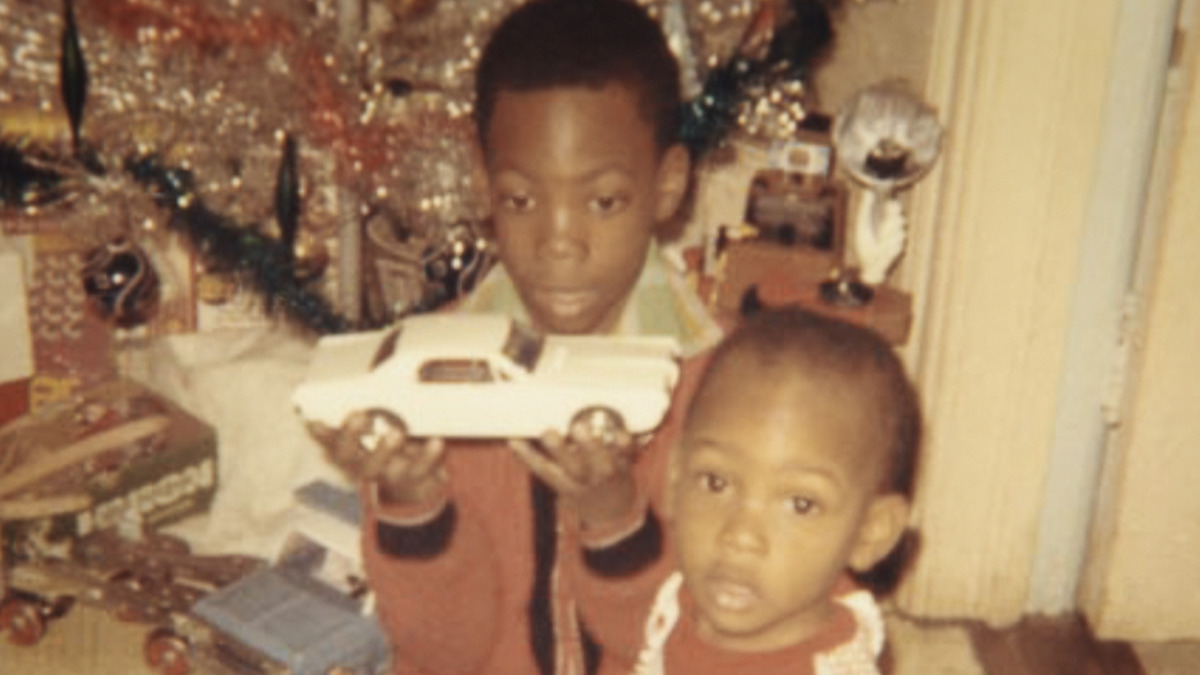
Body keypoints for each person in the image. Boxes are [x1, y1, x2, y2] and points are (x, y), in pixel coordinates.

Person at [307, 1, 724, 673]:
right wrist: (415, 508)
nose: (559, 242)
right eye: (522, 199)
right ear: (482, 182)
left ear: (667, 183)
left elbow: (692, 645)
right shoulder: (431, 370)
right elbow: (443, 651)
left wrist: (616, 519)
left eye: (604, 200)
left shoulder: (722, 384)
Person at [567, 308, 921, 674]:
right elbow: (624, 630)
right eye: (716, 483)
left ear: (870, 532)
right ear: (676, 478)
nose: (740, 535)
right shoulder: (676, 601)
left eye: (800, 504)